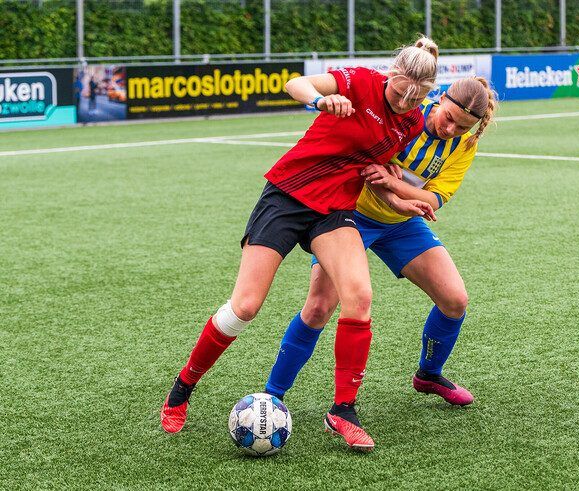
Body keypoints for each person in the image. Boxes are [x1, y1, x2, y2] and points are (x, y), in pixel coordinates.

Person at [160, 37, 440, 453]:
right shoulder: (361, 82)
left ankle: (343, 410)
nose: (405, 102)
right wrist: (318, 101)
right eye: (400, 92)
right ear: (392, 76)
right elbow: (296, 82)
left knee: (359, 296)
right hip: (287, 197)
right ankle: (183, 388)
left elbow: (372, 175)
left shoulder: (411, 123)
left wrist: (401, 200)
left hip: (334, 211)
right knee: (246, 306)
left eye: (416, 97)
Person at [263, 77, 498, 430]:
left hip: (401, 223)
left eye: (461, 126)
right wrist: (399, 191)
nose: (450, 129)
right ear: (440, 98)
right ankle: (272, 397)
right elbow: (358, 159)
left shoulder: (463, 145)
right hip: (348, 215)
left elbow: (433, 199)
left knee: (455, 300)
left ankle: (429, 375)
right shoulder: (408, 111)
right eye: (448, 118)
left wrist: (393, 184)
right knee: (319, 307)